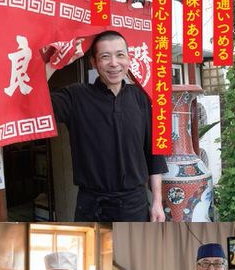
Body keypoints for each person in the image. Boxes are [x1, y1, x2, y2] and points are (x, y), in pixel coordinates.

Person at [50, 30, 167, 222]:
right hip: (92, 206)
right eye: (105, 57)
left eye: (120, 55)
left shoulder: (141, 98)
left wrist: (157, 202)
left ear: (128, 59)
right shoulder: (76, 96)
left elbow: (154, 154)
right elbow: (34, 101)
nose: (114, 63)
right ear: (94, 63)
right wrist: (55, 64)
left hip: (135, 204)